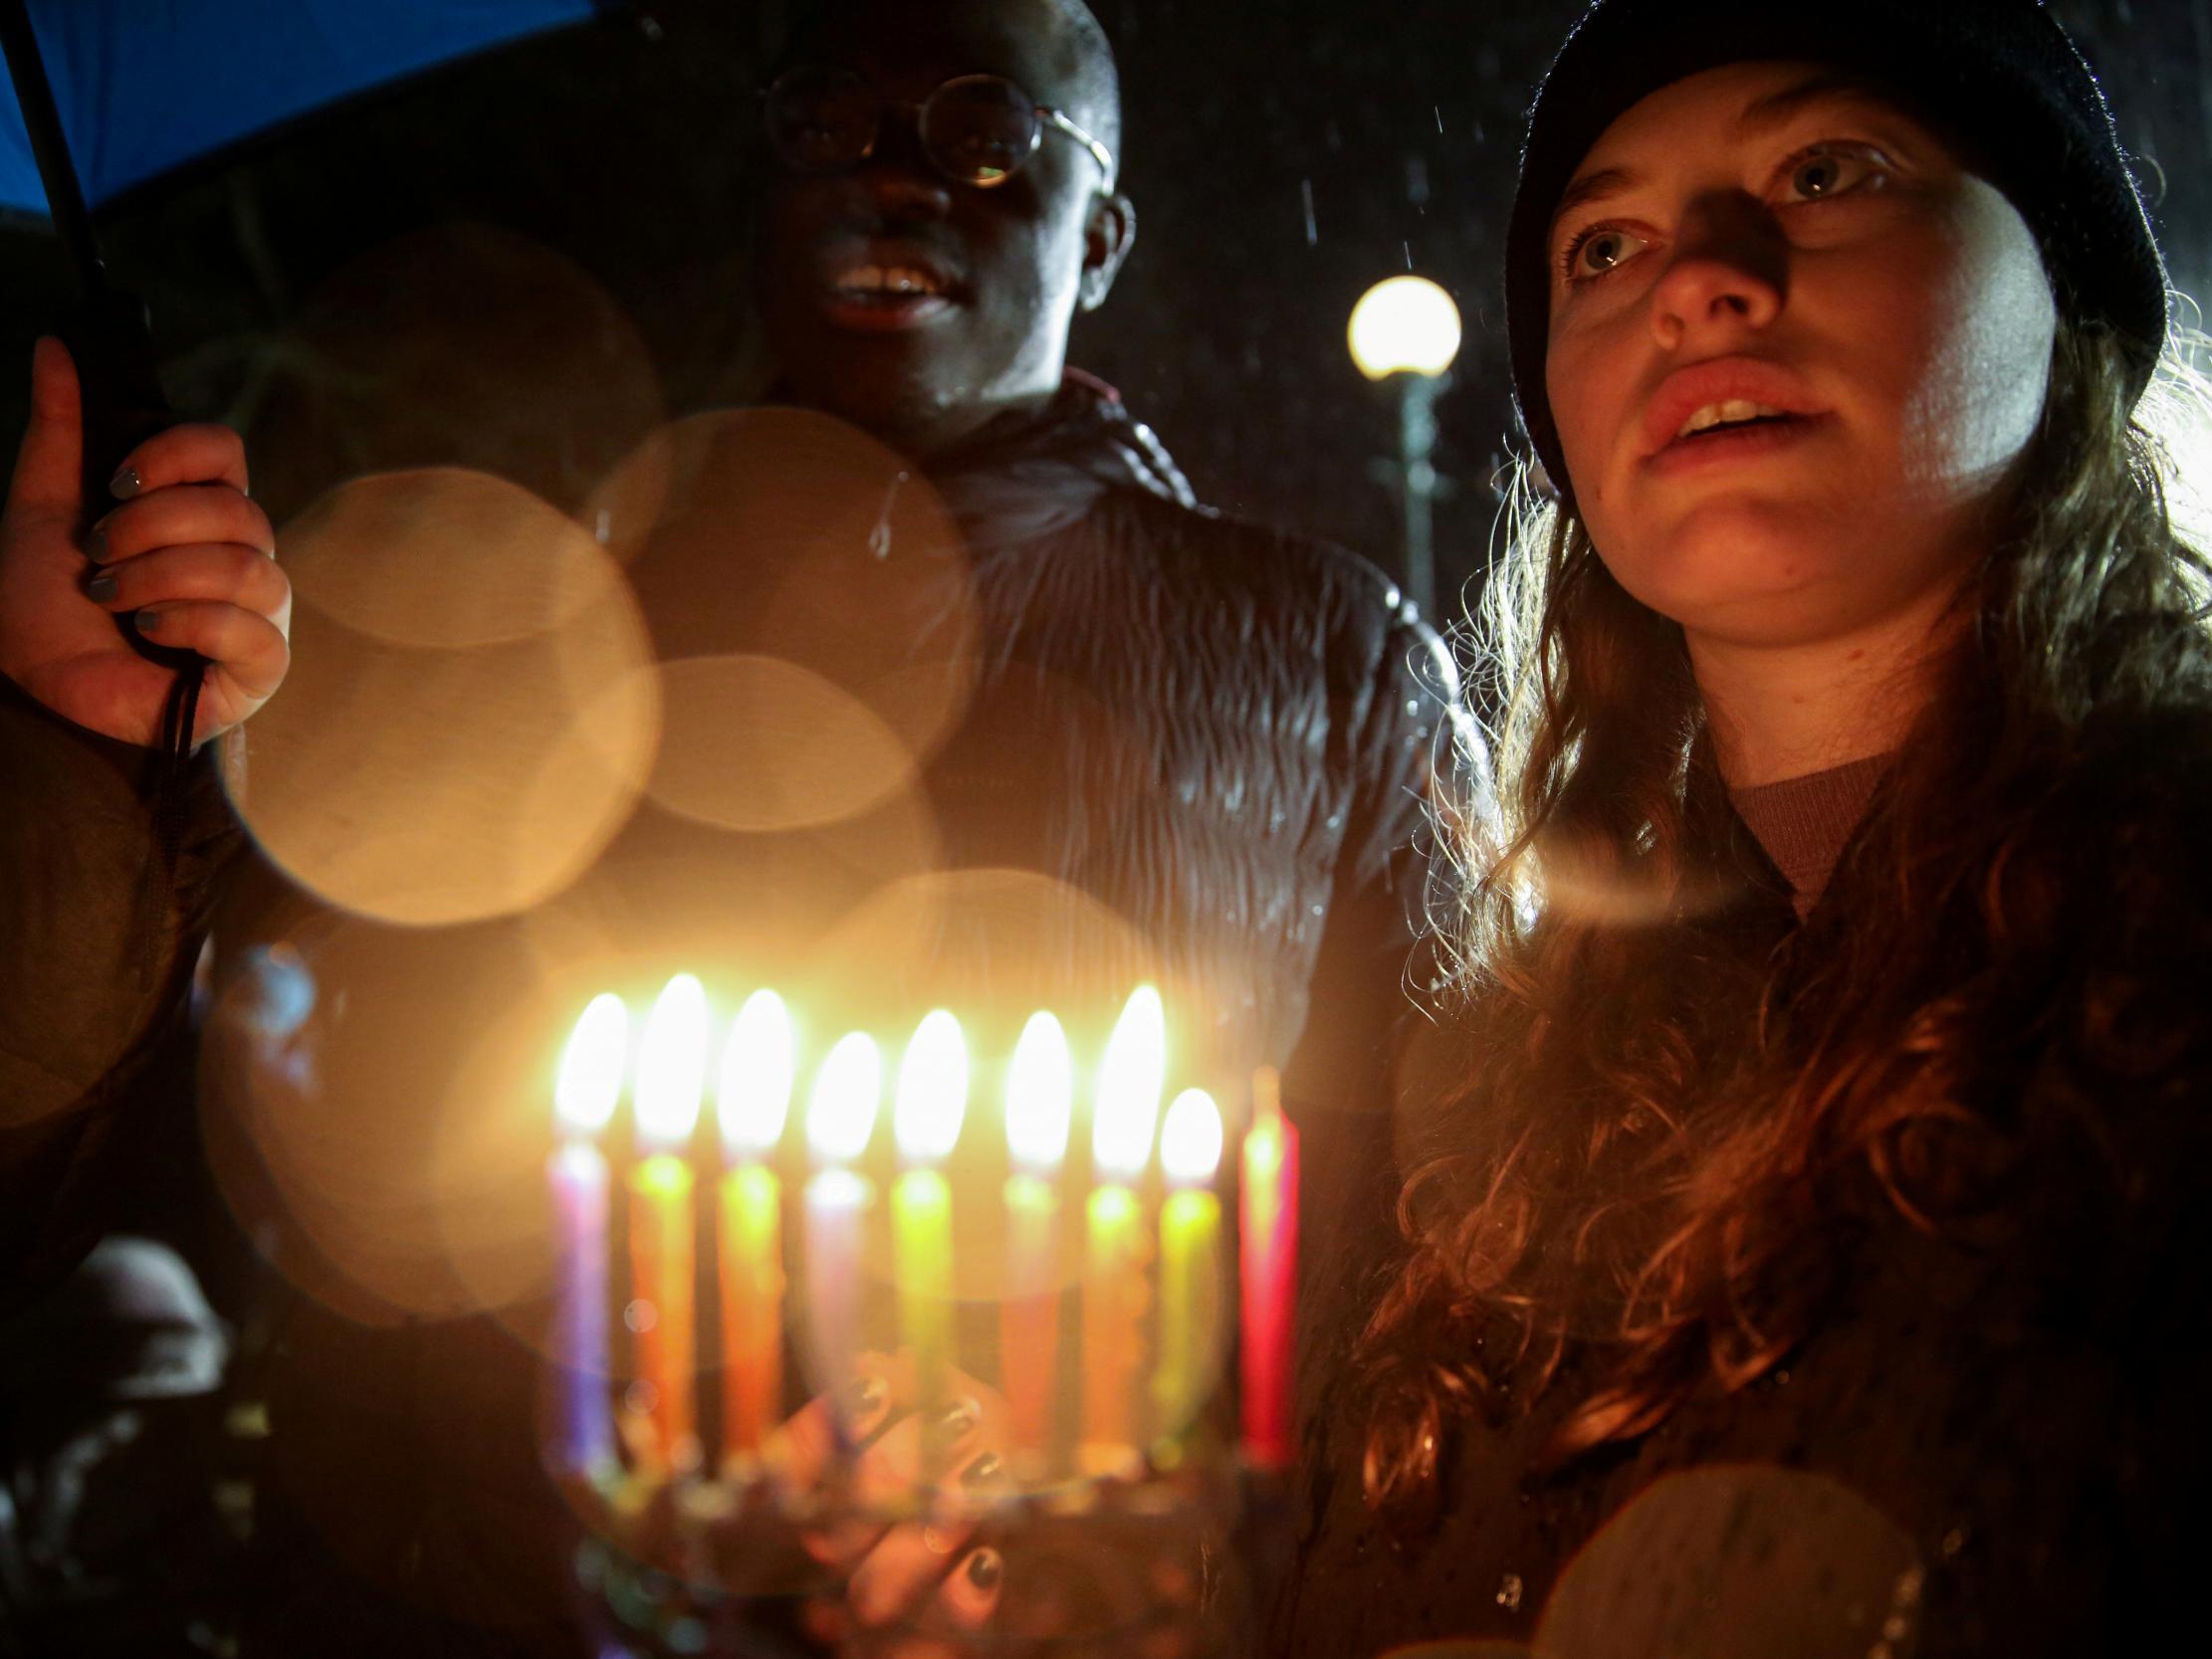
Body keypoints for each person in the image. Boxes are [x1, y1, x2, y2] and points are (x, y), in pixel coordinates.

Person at [0, 1, 1455, 1654]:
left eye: (986, 136)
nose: (896, 186)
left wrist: (1172, 1570)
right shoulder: (518, 634)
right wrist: (85, 770)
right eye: (826, 123)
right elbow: (210, 1173)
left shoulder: (1327, 662)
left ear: (1101, 235)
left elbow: (1419, 1241)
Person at [1272, 1, 2212, 1654]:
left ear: (2060, 295)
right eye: (1603, 243)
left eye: (1828, 170)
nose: (1697, 276)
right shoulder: (1493, 1075)